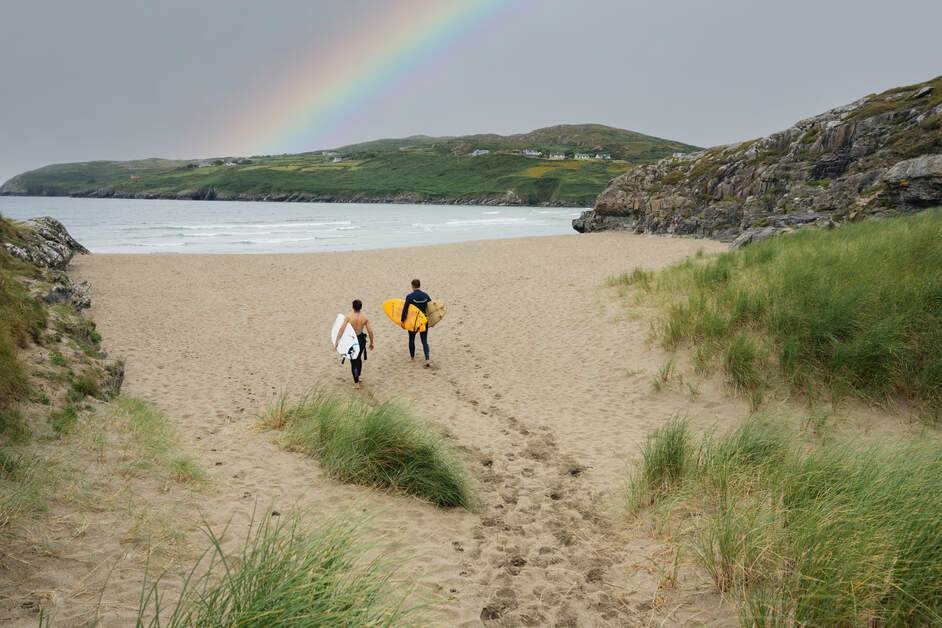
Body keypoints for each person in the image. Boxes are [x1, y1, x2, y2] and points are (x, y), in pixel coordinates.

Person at [335, 299, 374, 388]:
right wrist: (371, 343)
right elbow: (370, 331)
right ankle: (358, 377)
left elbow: (342, 330)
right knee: (358, 358)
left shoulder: (348, 317)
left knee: (353, 361)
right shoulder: (365, 318)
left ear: (353, 307)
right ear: (361, 307)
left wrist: (337, 341)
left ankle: (356, 383)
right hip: (361, 340)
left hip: (352, 341)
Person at [402, 278, 431, 367]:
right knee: (424, 340)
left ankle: (412, 358)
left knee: (411, 339)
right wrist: (432, 320)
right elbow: (431, 308)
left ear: (412, 286)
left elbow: (405, 310)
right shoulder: (426, 295)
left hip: (413, 321)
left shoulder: (409, 297)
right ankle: (427, 359)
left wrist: (403, 321)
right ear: (419, 285)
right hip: (423, 321)